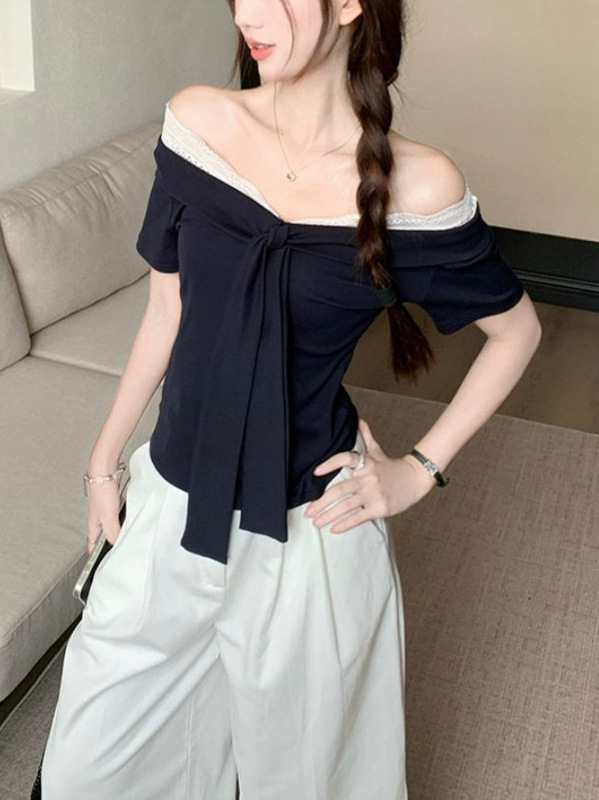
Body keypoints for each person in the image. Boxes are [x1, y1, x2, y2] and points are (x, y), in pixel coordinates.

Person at [38, 0, 542, 798]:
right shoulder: (197, 122)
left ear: (348, 5)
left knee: (309, 776)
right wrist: (104, 463)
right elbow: (166, 307)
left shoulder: (418, 184)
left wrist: (417, 472)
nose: (249, 13)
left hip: (311, 533)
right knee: (90, 766)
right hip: (168, 504)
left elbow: (516, 332)